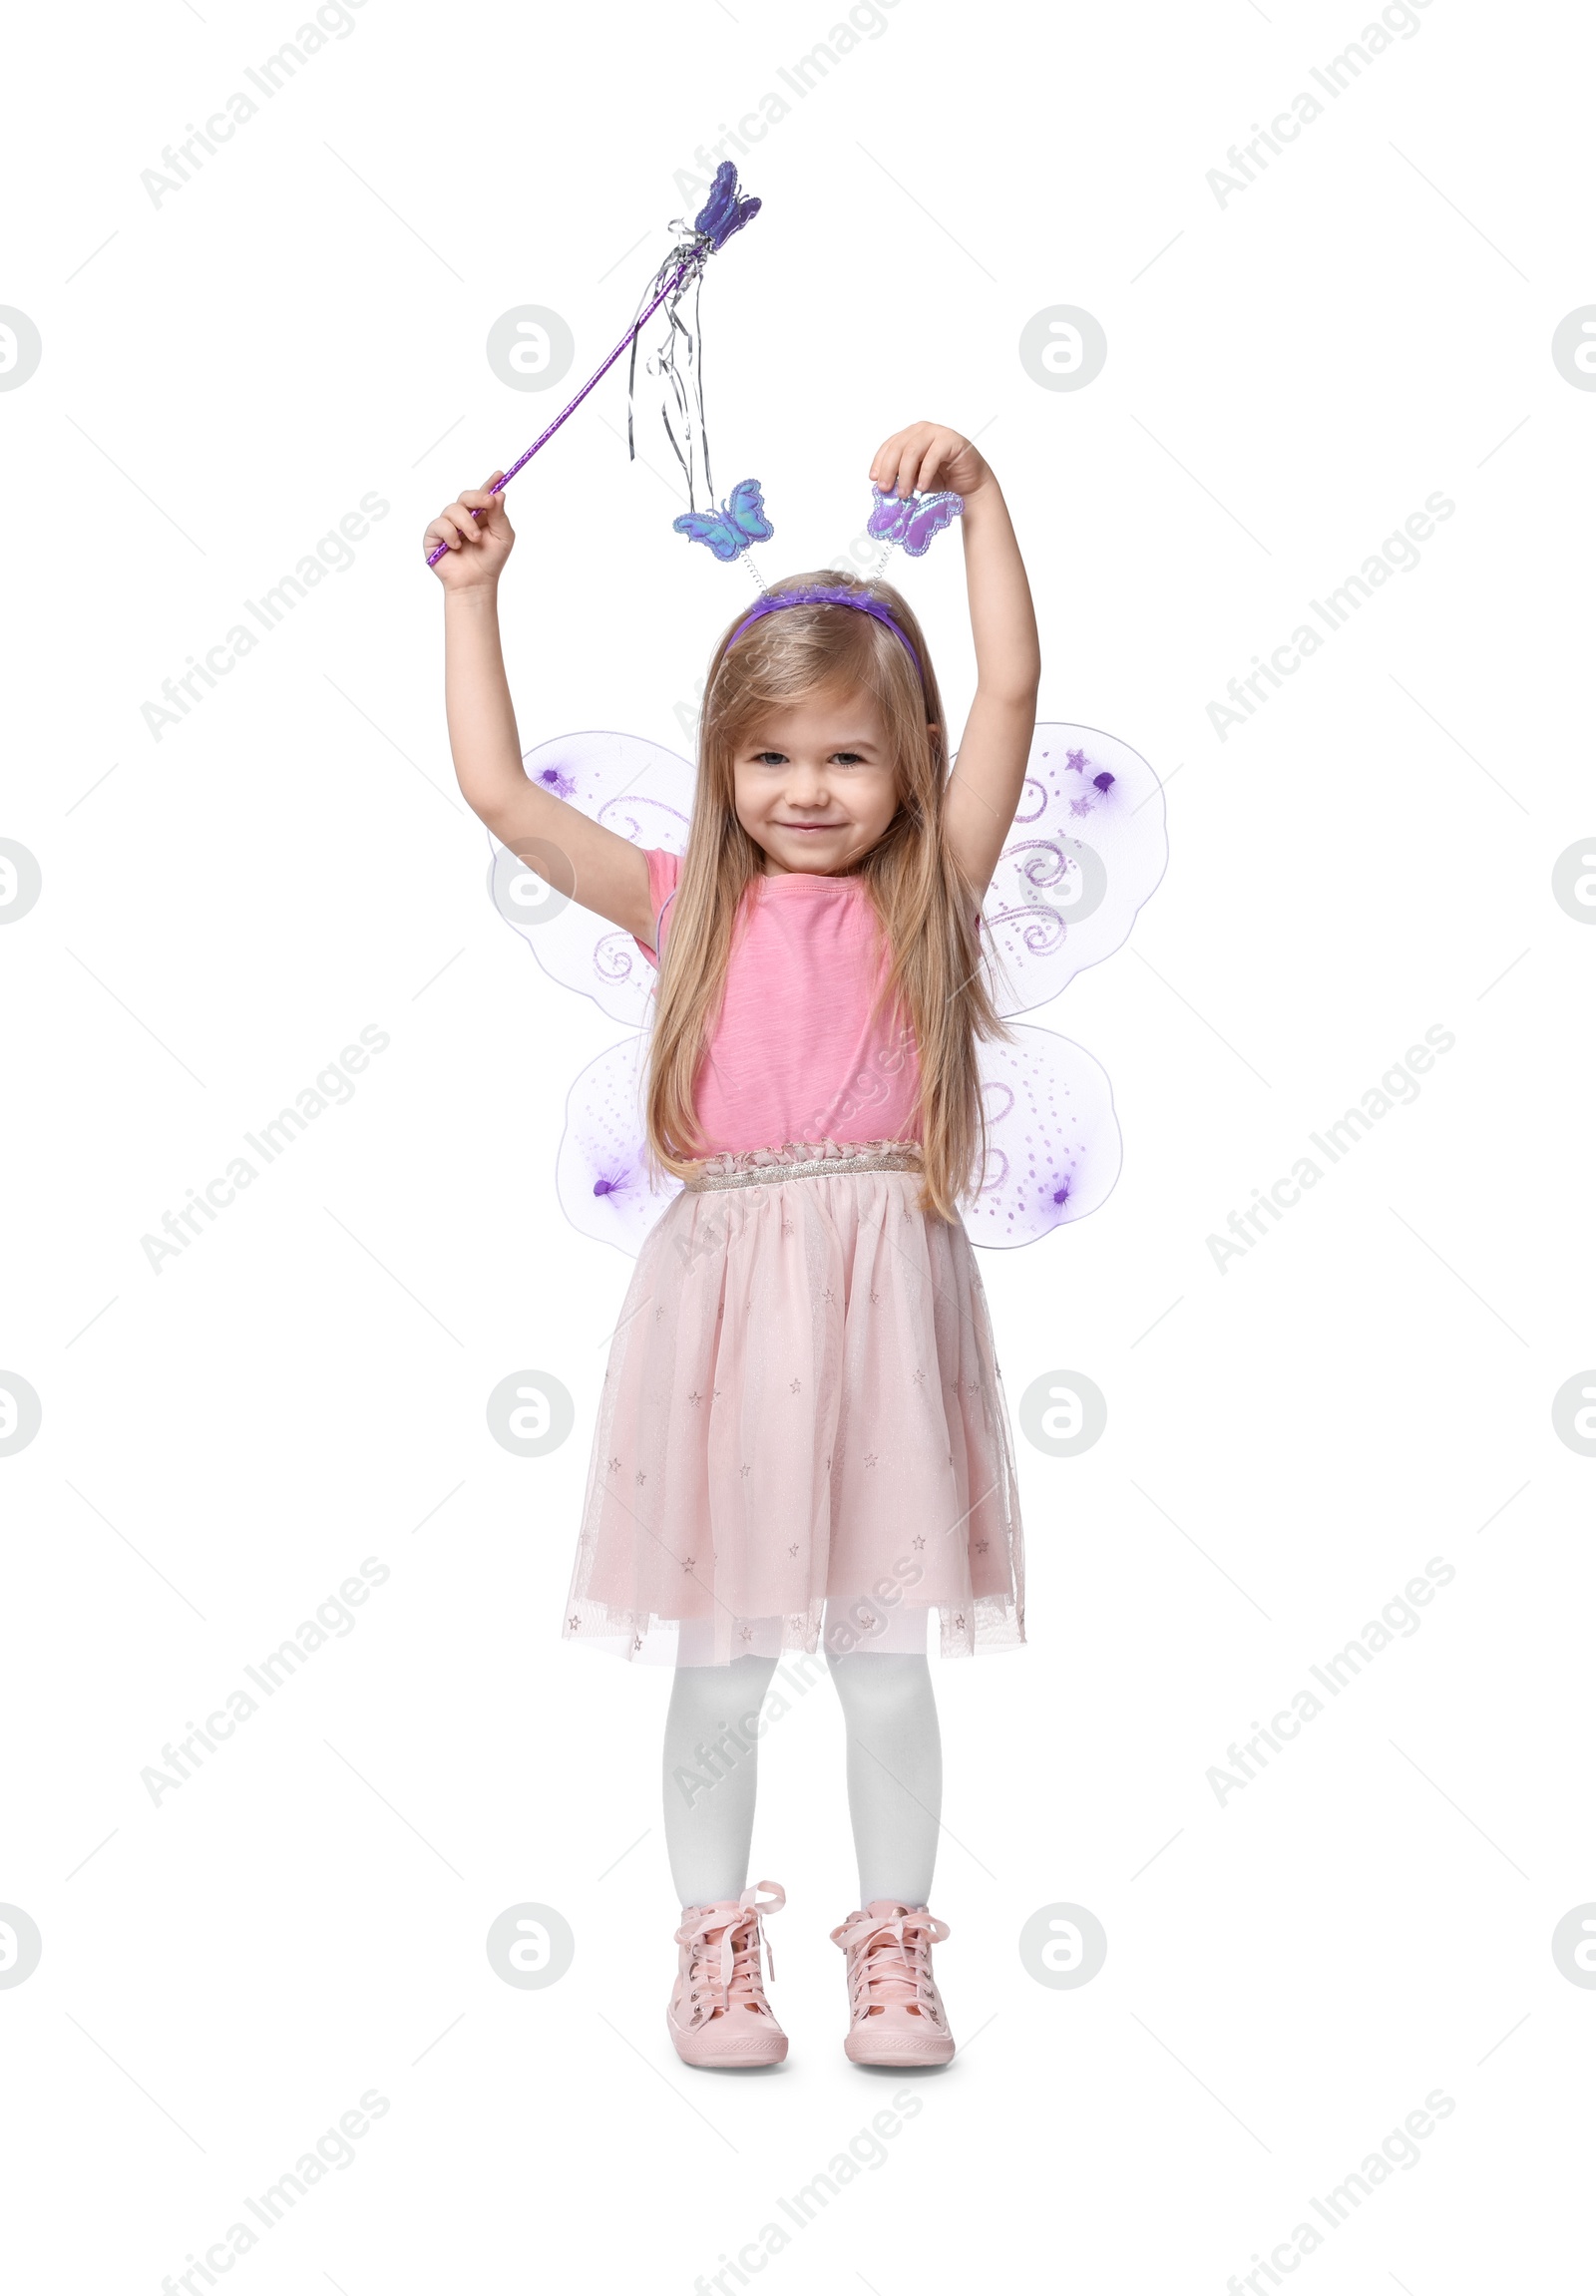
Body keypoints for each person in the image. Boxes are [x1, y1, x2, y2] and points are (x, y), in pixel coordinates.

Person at [426, 422, 1040, 2070]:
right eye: (775, 760)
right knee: (721, 1650)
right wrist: (476, 598)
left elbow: (1012, 701)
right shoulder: (682, 898)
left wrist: (983, 503)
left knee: (883, 1649)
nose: (812, 791)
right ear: (724, 767)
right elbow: (497, 791)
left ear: (904, 762)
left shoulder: (932, 897)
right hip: (725, 1305)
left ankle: (896, 1952)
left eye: (850, 757)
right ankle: (714, 1950)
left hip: (887, 1289)